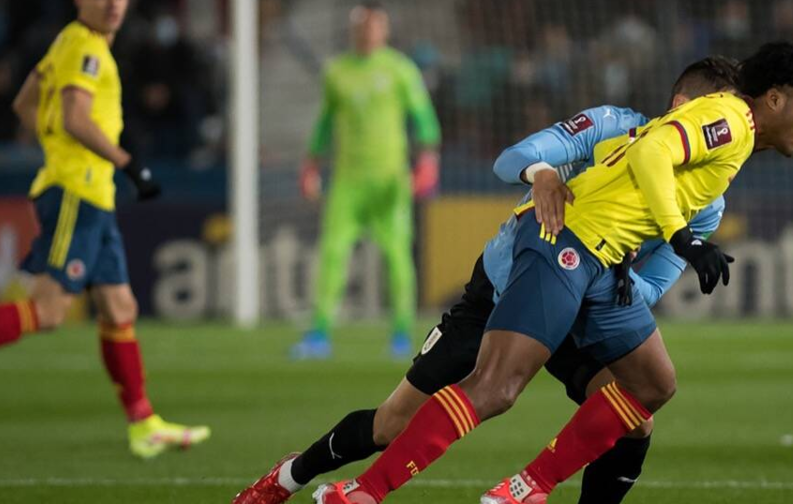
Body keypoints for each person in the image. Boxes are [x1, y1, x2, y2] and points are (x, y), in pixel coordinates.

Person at [314, 42, 793, 504]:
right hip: (565, 244)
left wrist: (668, 248)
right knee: (495, 387)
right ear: (775, 99)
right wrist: (680, 236)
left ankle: (525, 488)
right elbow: (653, 152)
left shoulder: (729, 143)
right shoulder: (730, 120)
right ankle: (364, 492)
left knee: (653, 385)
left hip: (600, 263)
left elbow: (642, 166)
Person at [233, 57, 740, 504]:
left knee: (635, 416)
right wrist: (543, 173)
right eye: (719, 112)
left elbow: (652, 288)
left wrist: (620, 270)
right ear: (683, 107)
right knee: (392, 423)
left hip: (582, 304)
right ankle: (289, 477)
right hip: (505, 288)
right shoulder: (614, 126)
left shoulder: (706, 202)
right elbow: (511, 158)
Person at [0, 0, 210, 459]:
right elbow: (75, 118)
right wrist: (128, 163)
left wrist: (58, 145)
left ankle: (143, 423)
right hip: (76, 193)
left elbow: (26, 102)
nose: (113, 5)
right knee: (47, 310)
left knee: (120, 307)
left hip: (91, 194)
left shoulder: (68, 43)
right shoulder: (86, 48)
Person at [293, 2, 442, 360]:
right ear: (353, 28)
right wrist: (311, 164)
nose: (368, 31)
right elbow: (325, 122)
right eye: (362, 25)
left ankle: (402, 334)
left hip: (390, 181)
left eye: (375, 25)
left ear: (384, 29)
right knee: (333, 253)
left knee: (397, 256)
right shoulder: (336, 71)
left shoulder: (400, 69)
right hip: (347, 181)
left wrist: (428, 160)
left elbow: (423, 117)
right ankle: (320, 333)